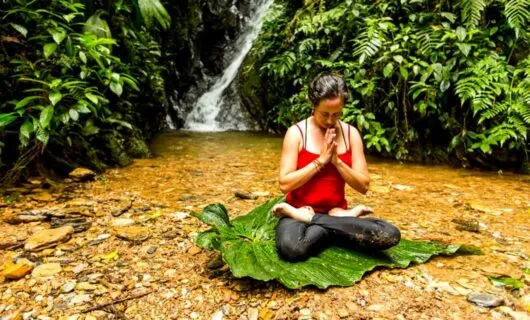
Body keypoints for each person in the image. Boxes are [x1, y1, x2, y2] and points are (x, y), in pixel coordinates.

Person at [272, 73, 401, 262]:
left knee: (390, 234)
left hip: (335, 213)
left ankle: (316, 222)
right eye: (325, 114)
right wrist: (320, 161)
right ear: (313, 104)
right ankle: (329, 227)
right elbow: (284, 184)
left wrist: (337, 162)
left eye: (337, 114)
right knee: (292, 249)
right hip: (298, 210)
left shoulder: (351, 134)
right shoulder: (296, 133)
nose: (331, 121)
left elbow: (363, 186)